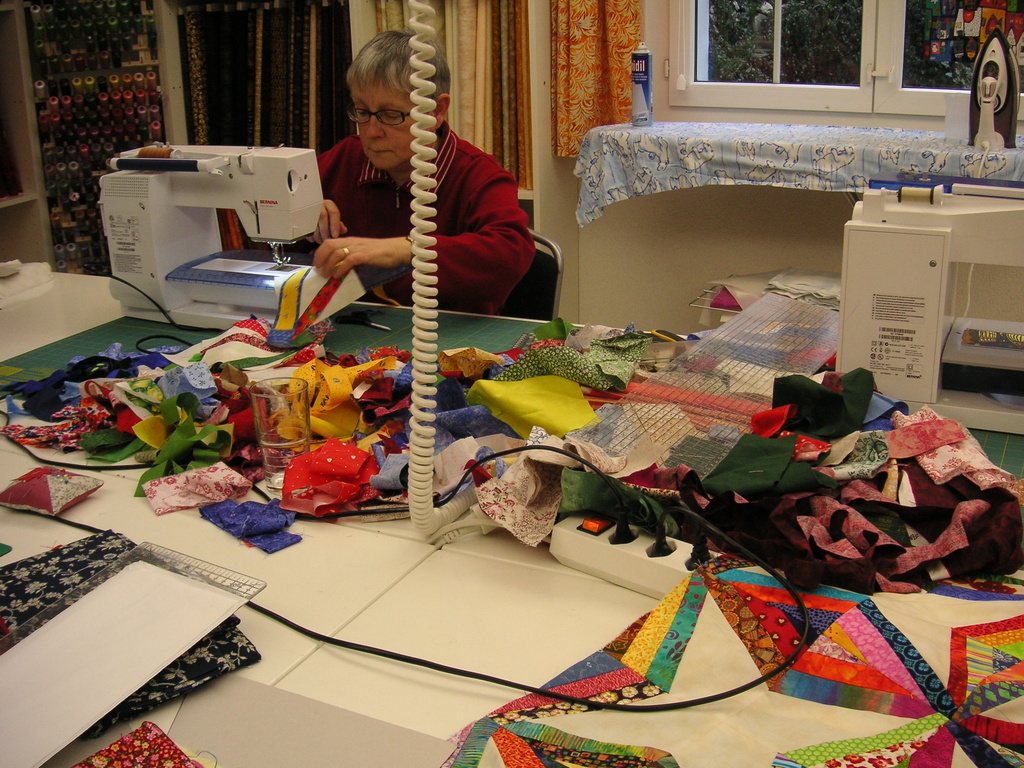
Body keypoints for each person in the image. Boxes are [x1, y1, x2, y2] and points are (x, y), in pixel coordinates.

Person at [311, 30, 534, 316]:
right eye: (362, 112)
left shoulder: (478, 176)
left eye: (391, 115)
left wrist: (406, 251)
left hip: (452, 335)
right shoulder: (343, 159)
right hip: (356, 327)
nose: (371, 131)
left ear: (436, 111)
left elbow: (509, 255)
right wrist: (302, 215)